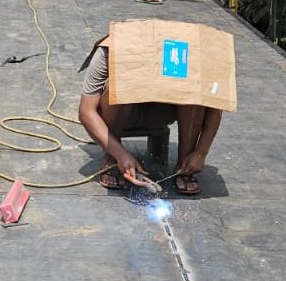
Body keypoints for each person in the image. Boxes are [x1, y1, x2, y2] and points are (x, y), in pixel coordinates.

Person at [78, 43, 222, 194]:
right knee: (116, 84)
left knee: (195, 87)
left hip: (162, 111)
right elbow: (86, 112)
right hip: (119, 114)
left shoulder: (186, 52)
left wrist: (201, 152)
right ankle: (112, 159)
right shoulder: (108, 51)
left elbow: (216, 104)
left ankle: (184, 166)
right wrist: (121, 154)